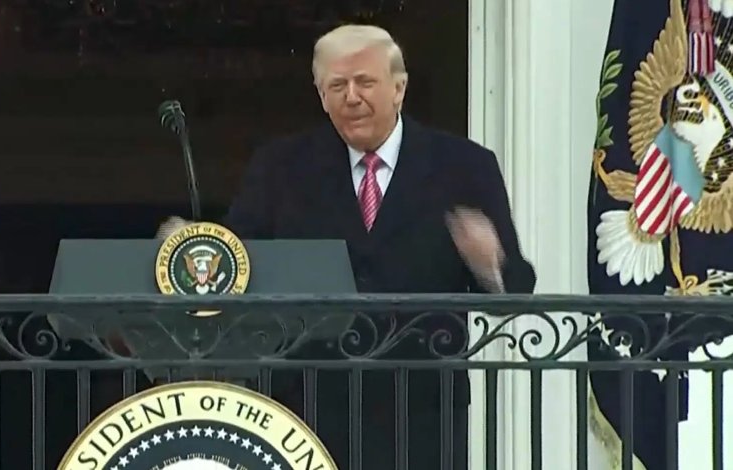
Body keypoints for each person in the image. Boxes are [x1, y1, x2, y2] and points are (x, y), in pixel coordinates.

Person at [160, 24, 535, 470]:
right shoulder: (281, 166)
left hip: (421, 410)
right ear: (321, 96)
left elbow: (516, 289)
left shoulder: (464, 165)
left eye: (365, 82)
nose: (351, 97)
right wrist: (197, 245)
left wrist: (490, 265)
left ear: (399, 88)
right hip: (305, 408)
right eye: (337, 86)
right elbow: (240, 262)